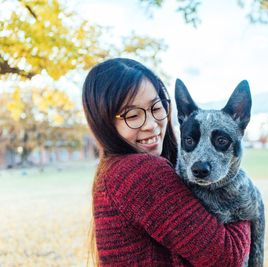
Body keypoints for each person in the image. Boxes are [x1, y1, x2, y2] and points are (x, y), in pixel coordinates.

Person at [82, 58, 251, 266]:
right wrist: (244, 200)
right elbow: (228, 257)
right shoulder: (140, 172)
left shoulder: (110, 170)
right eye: (133, 115)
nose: (152, 125)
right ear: (104, 122)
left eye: (156, 108)